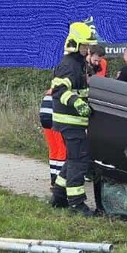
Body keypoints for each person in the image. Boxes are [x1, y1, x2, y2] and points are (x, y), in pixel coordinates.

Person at [49, 21, 98, 217]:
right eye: (85, 46)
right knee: (79, 161)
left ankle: (59, 197)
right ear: (76, 45)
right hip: (70, 121)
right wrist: (78, 103)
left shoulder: (79, 65)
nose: (87, 49)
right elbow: (59, 90)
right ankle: (77, 204)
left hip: (74, 122)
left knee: (73, 159)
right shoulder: (68, 65)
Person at [38, 87, 67, 202]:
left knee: (53, 149)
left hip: (44, 118)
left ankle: (53, 178)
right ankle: (59, 182)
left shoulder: (51, 90)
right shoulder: (65, 89)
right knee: (62, 149)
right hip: (55, 118)